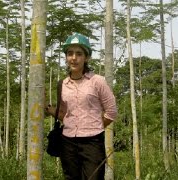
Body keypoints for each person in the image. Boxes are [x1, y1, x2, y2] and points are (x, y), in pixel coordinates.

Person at [45, 32, 117, 180]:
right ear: (66, 57)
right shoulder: (62, 84)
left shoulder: (97, 81)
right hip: (67, 141)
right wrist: (47, 108)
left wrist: (94, 127)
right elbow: (64, 114)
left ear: (86, 57)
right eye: (70, 53)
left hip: (92, 142)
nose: (74, 58)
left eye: (79, 54)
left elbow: (111, 112)